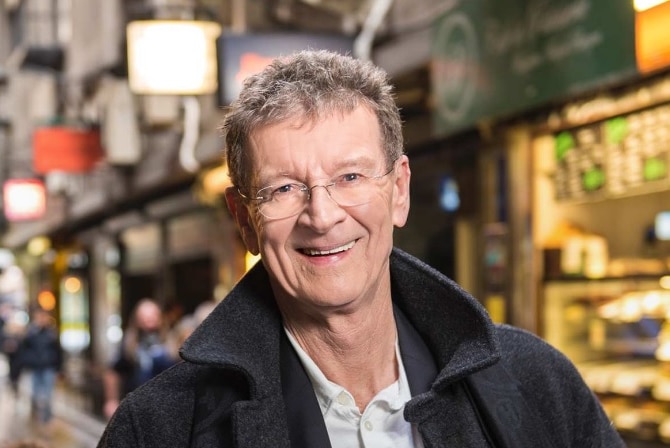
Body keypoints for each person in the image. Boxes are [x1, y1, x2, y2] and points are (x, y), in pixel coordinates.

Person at [98, 50, 624, 447]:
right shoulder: (159, 428)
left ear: (398, 191)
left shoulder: (536, 383)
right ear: (245, 222)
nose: (322, 216)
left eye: (350, 177)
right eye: (283, 188)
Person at [102, 298, 177, 420]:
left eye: (152, 315)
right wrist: (111, 400)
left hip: (167, 406)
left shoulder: (170, 342)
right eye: (144, 316)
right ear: (137, 319)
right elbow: (113, 372)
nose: (149, 320)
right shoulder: (129, 344)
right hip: (137, 406)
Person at [17, 307, 61, 427]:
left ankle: (47, 418)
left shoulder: (51, 333)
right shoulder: (30, 333)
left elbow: (58, 352)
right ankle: (37, 414)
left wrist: (58, 368)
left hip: (48, 367)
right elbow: (23, 349)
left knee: (48, 393)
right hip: (35, 367)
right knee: (35, 393)